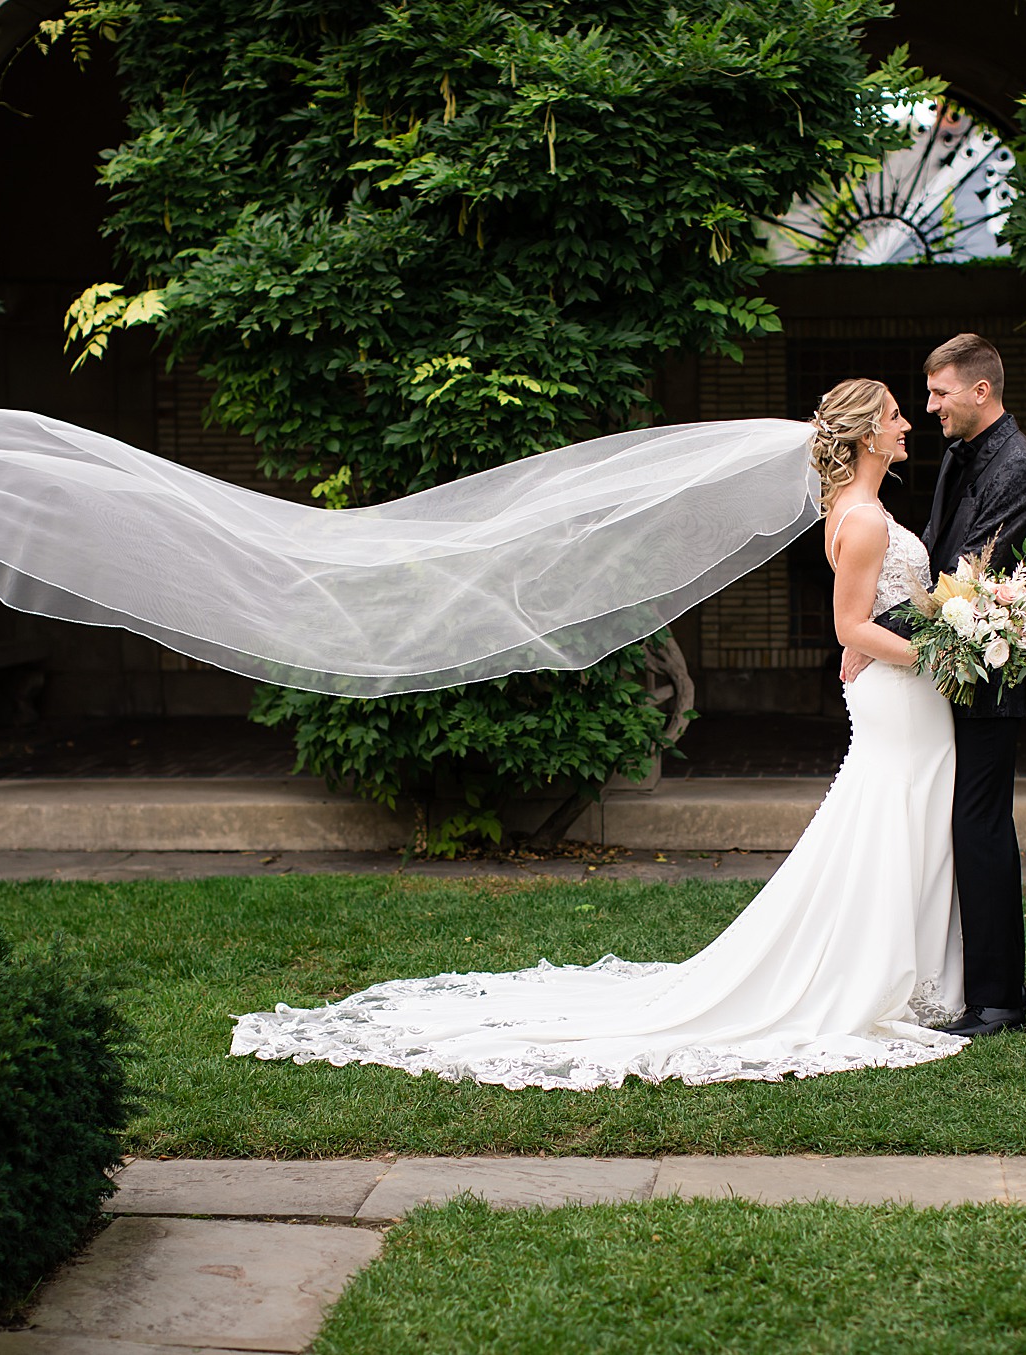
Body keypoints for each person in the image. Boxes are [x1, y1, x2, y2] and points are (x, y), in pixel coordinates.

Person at [228, 378, 974, 1087]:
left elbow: (866, 621)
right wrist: (947, 655)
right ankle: (892, 976)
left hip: (894, 691)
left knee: (891, 820)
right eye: (897, 412)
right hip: (899, 692)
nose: (908, 422)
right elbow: (850, 626)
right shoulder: (866, 518)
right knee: (892, 818)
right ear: (869, 431)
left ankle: (899, 969)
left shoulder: (850, 508)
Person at [845, 334, 1026, 1038]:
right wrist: (872, 629)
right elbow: (933, 551)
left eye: (938, 393)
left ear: (980, 391)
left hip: (988, 677)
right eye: (922, 396)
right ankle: (955, 977)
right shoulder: (962, 455)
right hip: (943, 670)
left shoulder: (1017, 467)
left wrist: (873, 630)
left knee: (980, 828)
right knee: (949, 827)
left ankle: (999, 1000)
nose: (928, 407)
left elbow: (968, 577)